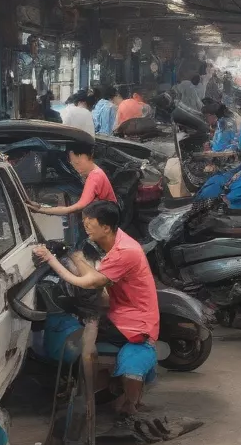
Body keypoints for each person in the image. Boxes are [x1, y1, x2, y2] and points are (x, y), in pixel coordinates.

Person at [33, 201, 159, 418]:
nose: (85, 227)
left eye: (90, 223)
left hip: (135, 321)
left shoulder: (124, 252)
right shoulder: (116, 242)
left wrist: (50, 259)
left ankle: (109, 398)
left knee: (82, 338)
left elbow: (87, 282)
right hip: (123, 311)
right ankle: (98, 390)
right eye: (84, 222)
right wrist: (72, 254)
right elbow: (89, 272)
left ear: (106, 227)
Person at [26, 141, 117, 216]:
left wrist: (41, 209)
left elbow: (74, 208)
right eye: (73, 165)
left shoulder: (94, 177)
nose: (76, 168)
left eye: (77, 163)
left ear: (84, 157)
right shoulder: (95, 172)